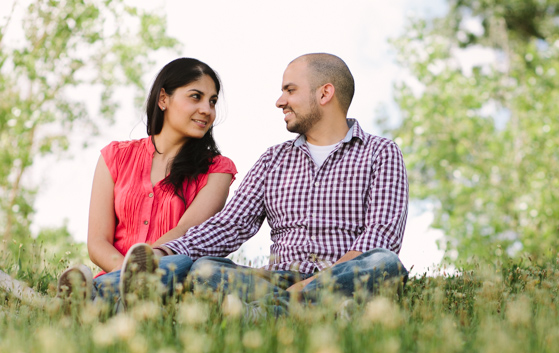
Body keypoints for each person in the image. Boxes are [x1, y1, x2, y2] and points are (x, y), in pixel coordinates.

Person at [149, 53, 408, 316]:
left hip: (345, 274)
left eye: (290, 90)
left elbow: (382, 236)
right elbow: (229, 225)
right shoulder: (274, 159)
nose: (280, 101)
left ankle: (267, 313)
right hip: (278, 280)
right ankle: (317, 309)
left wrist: (314, 283)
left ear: (325, 93)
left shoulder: (380, 152)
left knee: (382, 262)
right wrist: (164, 250)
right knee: (206, 269)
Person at [57, 57, 237, 305]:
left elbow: (184, 234)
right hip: (116, 276)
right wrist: (128, 276)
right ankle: (110, 299)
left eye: (213, 101)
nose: (207, 109)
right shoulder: (115, 157)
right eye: (196, 96)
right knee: (129, 294)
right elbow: (98, 242)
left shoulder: (218, 170)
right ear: (163, 99)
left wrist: (141, 272)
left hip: (174, 279)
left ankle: (83, 300)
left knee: (182, 260)